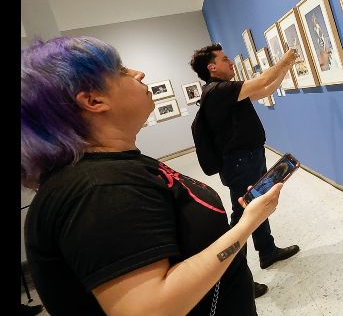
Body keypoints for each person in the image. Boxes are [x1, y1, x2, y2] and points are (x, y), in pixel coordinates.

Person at [22, 36, 283, 315]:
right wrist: (246, 225)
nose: (138, 73)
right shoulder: (98, 190)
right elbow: (151, 309)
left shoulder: (113, 168)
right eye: (121, 70)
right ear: (93, 100)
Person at [189, 43, 301, 289]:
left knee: (257, 206)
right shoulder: (216, 91)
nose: (230, 62)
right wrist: (283, 61)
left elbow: (266, 88)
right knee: (242, 218)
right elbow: (261, 83)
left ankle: (267, 251)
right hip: (239, 162)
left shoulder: (227, 91)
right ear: (212, 67)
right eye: (225, 58)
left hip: (249, 157)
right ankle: (235, 278)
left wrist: (287, 67)